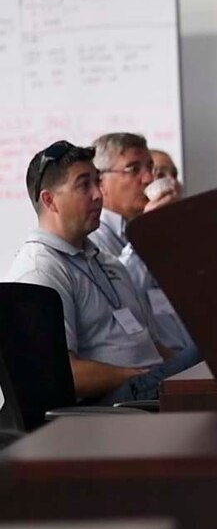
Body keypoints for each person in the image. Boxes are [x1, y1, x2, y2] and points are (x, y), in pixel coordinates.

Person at [5, 141, 199, 405]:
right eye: (84, 185)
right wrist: (139, 375)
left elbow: (152, 344)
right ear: (50, 200)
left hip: (147, 389)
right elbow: (59, 374)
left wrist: (183, 372)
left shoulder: (108, 262)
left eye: (97, 182)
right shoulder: (40, 269)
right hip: (112, 405)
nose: (98, 194)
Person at [89, 134, 195, 353]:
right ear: (101, 182)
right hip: (146, 369)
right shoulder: (92, 237)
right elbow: (118, 294)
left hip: (181, 356)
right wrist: (145, 231)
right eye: (133, 169)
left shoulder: (140, 230)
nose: (148, 178)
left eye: (149, 167)